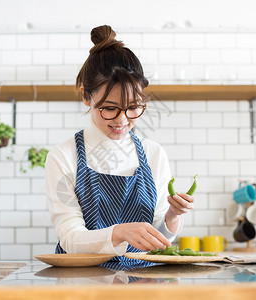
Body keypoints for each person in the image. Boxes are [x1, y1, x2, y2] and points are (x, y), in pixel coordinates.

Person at [45, 25, 194, 264]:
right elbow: (70, 238)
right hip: (82, 285)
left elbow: (159, 242)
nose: (122, 120)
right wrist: (119, 232)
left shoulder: (154, 154)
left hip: (143, 283)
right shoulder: (63, 156)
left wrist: (172, 216)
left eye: (134, 107)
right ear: (86, 97)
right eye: (110, 108)